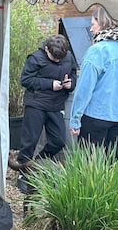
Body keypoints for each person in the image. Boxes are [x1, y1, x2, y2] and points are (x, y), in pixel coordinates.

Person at [69, 6, 118, 157]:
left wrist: (75, 119)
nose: (91, 29)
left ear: (104, 23)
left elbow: (84, 89)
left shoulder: (98, 50)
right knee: (112, 162)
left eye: (93, 24)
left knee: (87, 165)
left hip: (95, 116)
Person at [9, 34, 77, 171]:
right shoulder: (35, 58)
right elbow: (26, 80)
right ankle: (23, 171)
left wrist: (71, 83)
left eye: (60, 58)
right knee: (30, 141)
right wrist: (49, 84)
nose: (57, 61)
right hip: (36, 104)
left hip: (56, 105)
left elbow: (73, 74)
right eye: (54, 58)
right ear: (46, 49)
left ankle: (38, 162)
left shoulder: (68, 57)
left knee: (58, 141)